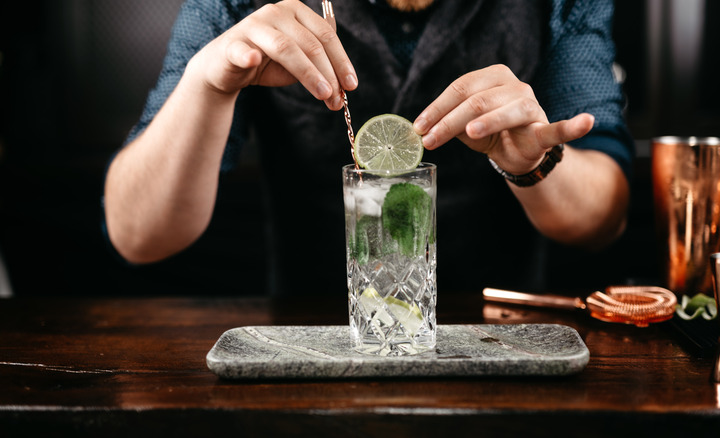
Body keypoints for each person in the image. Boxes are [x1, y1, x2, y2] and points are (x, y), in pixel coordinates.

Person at [103, 0, 633, 295]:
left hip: (504, 350)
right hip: (307, 355)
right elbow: (137, 234)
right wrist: (208, 84)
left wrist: (534, 166)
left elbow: (603, 218)